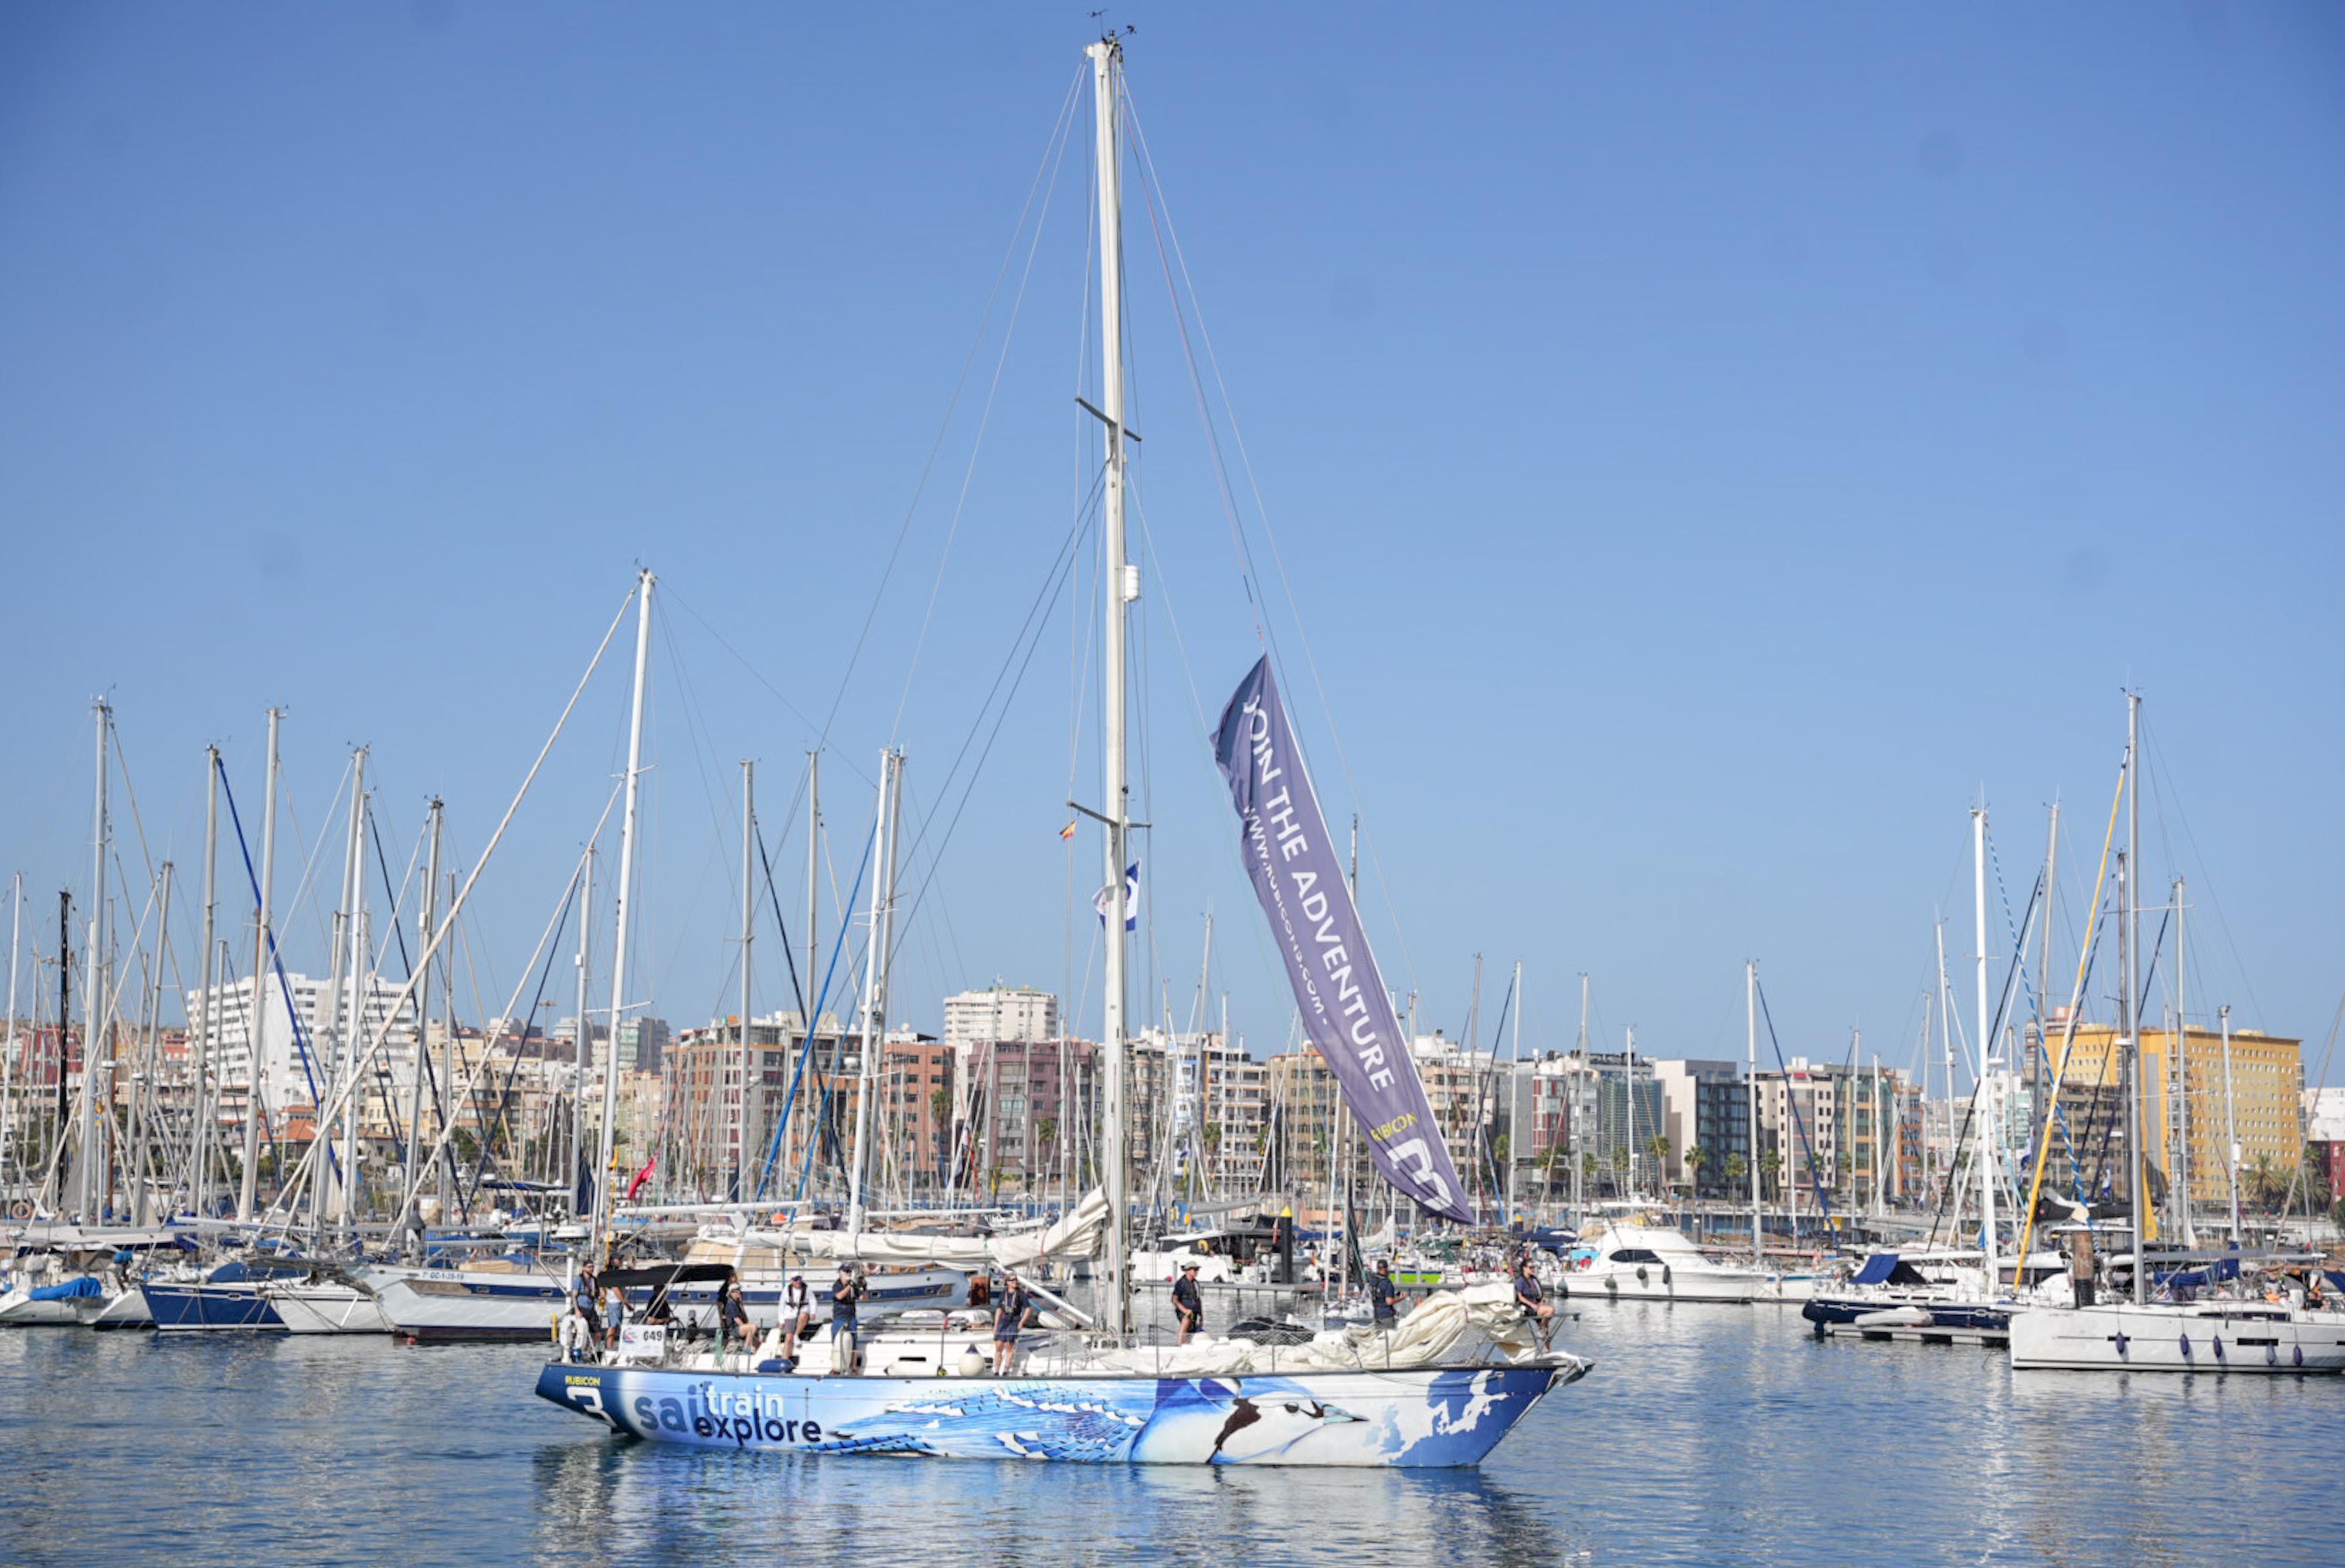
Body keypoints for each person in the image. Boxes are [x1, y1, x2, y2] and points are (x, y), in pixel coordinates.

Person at [993, 1270, 1033, 1374]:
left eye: (1016, 1280)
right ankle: (996, 1370)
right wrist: (996, 1325)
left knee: (1009, 1346)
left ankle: (1006, 1370)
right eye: (1013, 1280)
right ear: (1008, 1282)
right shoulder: (1004, 1294)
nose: (1015, 1282)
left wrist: (1021, 1323)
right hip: (1004, 1321)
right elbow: (999, 1309)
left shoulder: (1021, 1294)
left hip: (1014, 1321)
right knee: (999, 1345)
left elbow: (1028, 1308)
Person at [1514, 1257, 1555, 1349]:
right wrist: (1532, 1305)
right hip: (1529, 1308)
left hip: (1538, 1305)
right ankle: (1542, 1327)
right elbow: (1520, 1297)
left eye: (1534, 1267)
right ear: (1524, 1268)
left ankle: (1547, 1350)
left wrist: (1542, 1301)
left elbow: (1539, 1294)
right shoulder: (1521, 1281)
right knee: (1551, 1310)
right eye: (1531, 1267)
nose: (1533, 1269)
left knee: (1546, 1327)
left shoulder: (1534, 1279)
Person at [830, 1263, 864, 1375]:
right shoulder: (837, 1285)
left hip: (851, 1317)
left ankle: (853, 1368)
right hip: (840, 1318)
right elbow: (839, 1296)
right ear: (840, 1273)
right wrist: (850, 1286)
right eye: (846, 1272)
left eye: (849, 1272)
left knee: (853, 1343)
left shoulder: (853, 1286)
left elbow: (863, 1298)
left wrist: (863, 1287)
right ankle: (836, 1368)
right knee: (837, 1342)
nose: (848, 1274)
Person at [1171, 1261, 1205, 1345]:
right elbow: (1174, 1300)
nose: (1197, 1272)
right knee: (1186, 1322)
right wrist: (1185, 1310)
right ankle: (1180, 1345)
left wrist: (1201, 1316)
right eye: (1195, 1270)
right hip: (1184, 1311)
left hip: (1194, 1312)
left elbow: (1198, 1300)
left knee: (1192, 1331)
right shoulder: (1181, 1283)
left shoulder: (1196, 1283)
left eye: (1197, 1270)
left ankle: (1188, 1345)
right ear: (1188, 1271)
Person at [781, 1273, 814, 1357]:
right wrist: (781, 1321)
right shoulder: (786, 1290)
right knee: (789, 1338)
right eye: (796, 1280)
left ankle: (796, 1335)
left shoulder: (807, 1289)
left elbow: (813, 1301)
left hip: (802, 1312)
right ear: (792, 1281)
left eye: (800, 1280)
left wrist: (813, 1312)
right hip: (790, 1314)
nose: (798, 1282)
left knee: (804, 1315)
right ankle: (785, 1358)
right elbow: (781, 1305)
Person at [1368, 1259, 1401, 1329]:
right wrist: (1401, 1298)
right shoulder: (1387, 1283)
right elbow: (1389, 1301)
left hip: (1377, 1315)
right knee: (1390, 1335)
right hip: (1387, 1315)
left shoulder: (1373, 1281)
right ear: (1386, 1269)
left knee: (1378, 1334)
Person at [601, 1282, 626, 1350]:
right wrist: (625, 1303)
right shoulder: (614, 1279)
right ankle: (609, 1347)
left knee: (615, 1327)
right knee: (613, 1327)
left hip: (613, 1302)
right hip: (615, 1302)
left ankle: (610, 1346)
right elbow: (616, 1289)